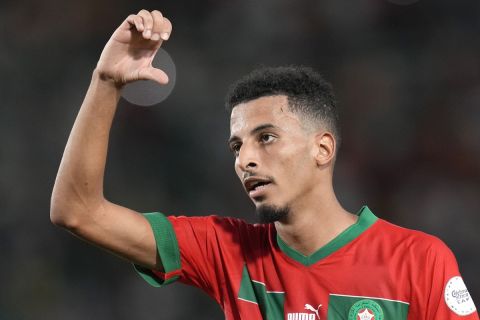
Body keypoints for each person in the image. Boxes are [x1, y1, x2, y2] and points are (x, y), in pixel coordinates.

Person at [50, 9, 478, 320]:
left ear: (323, 149)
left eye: (266, 138)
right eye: (236, 146)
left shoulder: (418, 261)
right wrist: (106, 83)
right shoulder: (227, 251)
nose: (245, 159)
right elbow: (77, 212)